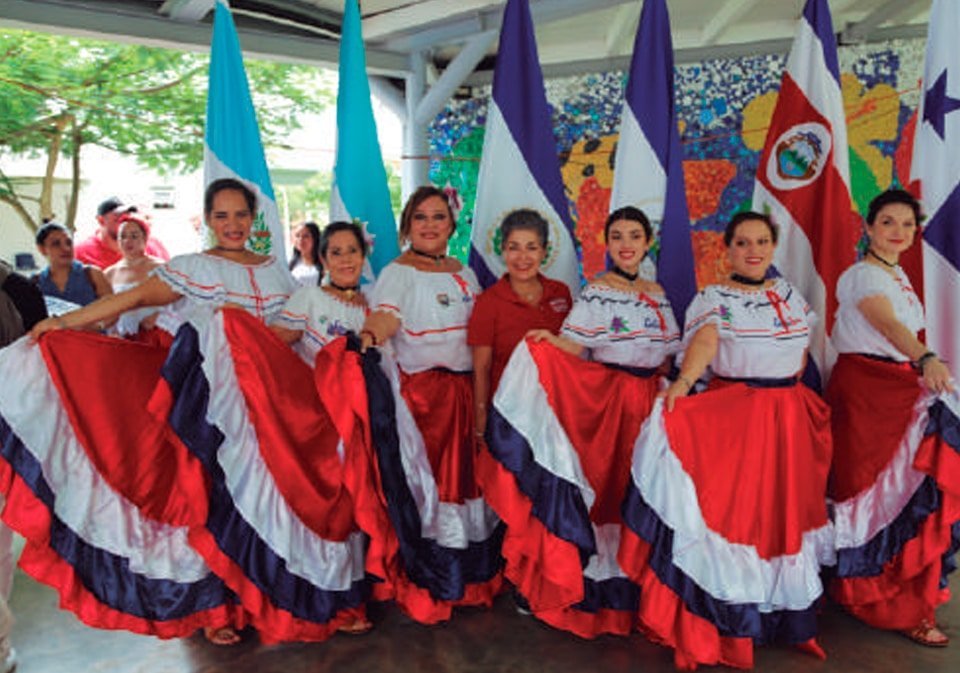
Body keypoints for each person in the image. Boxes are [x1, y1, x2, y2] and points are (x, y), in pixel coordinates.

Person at [2, 178, 296, 646]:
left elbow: (294, 336)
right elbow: (133, 298)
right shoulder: (193, 267)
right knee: (215, 504)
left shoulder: (279, 271)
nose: (233, 225)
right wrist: (64, 322)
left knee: (267, 502)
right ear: (209, 219)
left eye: (241, 214)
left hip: (273, 410)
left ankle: (270, 593)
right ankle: (218, 607)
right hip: (213, 408)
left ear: (253, 217)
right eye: (221, 216)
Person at [618, 212, 835, 670]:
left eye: (761, 241)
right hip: (738, 417)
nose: (753, 250)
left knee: (781, 517)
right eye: (742, 243)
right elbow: (705, 343)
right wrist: (683, 383)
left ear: (773, 247)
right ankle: (727, 622)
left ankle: (782, 618)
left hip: (788, 419)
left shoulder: (789, 295)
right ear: (728, 250)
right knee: (736, 519)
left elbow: (799, 356)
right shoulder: (714, 297)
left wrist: (785, 399)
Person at [479, 207, 679, 638]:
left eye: (635, 236)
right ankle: (589, 586)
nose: (626, 244)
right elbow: (575, 345)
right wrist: (550, 344)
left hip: (650, 404)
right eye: (618, 236)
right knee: (607, 490)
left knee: (643, 490)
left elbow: (666, 353)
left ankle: (635, 583)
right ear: (608, 244)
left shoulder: (658, 292)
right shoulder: (596, 293)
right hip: (610, 403)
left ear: (647, 243)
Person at [358, 185, 503, 624]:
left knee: (469, 484)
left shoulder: (465, 273)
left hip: (467, 393)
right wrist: (367, 338)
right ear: (407, 225)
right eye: (420, 217)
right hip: (426, 400)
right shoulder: (398, 273)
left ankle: (471, 579)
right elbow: (385, 317)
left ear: (451, 224)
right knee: (432, 488)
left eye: (438, 217)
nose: (429, 225)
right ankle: (433, 582)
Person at [827, 189, 959, 647]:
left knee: (908, 491)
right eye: (888, 222)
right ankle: (871, 597)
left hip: (892, 387)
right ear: (868, 227)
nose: (898, 232)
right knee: (869, 491)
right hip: (868, 393)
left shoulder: (896, 273)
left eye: (907, 224)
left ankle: (902, 595)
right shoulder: (863, 276)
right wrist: (926, 357)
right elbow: (886, 324)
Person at [467, 208, 572, 433]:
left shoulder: (561, 293)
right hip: (508, 416)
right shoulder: (488, 302)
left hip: (555, 414)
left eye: (531, 248)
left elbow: (573, 353)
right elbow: (481, 368)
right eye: (514, 248)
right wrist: (481, 418)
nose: (522, 257)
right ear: (503, 251)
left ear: (544, 252)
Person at [273, 221, 369, 364]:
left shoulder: (374, 302)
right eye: (336, 253)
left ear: (363, 257)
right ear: (324, 260)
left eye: (353, 250)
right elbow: (269, 344)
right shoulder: (309, 298)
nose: (346, 259)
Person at [103, 212, 163, 335]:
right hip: (119, 337)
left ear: (145, 238)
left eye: (134, 236)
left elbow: (175, 303)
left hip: (154, 335)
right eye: (123, 236)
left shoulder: (160, 268)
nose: (127, 241)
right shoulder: (110, 273)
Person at [34, 221, 113, 310]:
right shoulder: (36, 283)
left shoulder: (92, 275)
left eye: (69, 243)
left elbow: (112, 311)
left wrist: (98, 324)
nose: (66, 248)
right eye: (56, 244)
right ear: (42, 249)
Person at [74, 197, 169, 269]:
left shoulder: (154, 245)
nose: (124, 220)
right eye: (118, 216)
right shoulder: (81, 253)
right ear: (101, 220)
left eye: (128, 214)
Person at [288, 221, 323, 288]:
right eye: (297, 235)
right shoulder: (291, 264)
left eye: (306, 236)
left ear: (315, 239)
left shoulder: (324, 264)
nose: (300, 239)